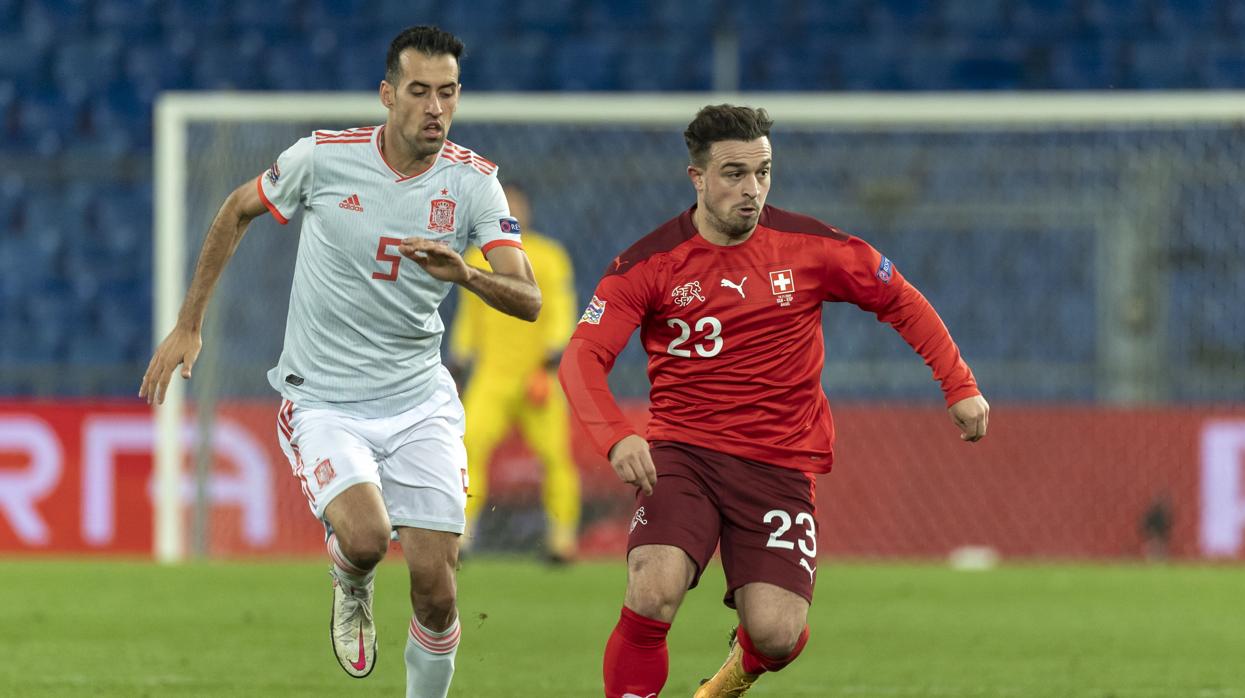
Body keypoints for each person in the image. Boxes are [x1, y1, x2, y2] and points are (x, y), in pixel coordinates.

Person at [138, 26, 541, 698]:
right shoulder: (323, 159)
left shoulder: (475, 186)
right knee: (364, 538)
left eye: (447, 93)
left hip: (419, 404)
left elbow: (528, 299)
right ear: (388, 95)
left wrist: (466, 277)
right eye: (418, 92)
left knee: (437, 593)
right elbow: (238, 209)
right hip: (324, 398)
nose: (434, 108)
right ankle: (350, 580)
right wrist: (188, 323)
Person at [558, 104, 990, 698]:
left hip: (780, 466)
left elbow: (900, 298)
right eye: (734, 173)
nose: (751, 189)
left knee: (778, 636)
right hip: (684, 455)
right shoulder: (648, 265)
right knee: (652, 588)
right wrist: (616, 433)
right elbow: (582, 357)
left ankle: (725, 681)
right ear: (697, 177)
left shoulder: (811, 246)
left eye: (763, 172)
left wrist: (958, 383)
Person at [450, 183, 581, 562]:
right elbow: (470, 317)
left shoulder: (549, 257)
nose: (513, 211)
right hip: (492, 375)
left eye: (517, 204)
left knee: (555, 456)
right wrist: (459, 358)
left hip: (536, 375)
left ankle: (562, 539)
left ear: (528, 210)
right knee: (469, 447)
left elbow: (559, 308)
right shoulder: (477, 256)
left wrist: (552, 357)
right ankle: (463, 536)